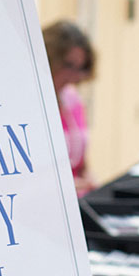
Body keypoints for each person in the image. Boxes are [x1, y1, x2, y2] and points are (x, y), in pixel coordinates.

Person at [43, 20, 97, 196]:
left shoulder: (72, 98)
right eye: (68, 65)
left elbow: (81, 161)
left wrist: (89, 179)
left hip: (76, 200)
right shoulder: (29, 104)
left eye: (80, 68)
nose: (74, 77)